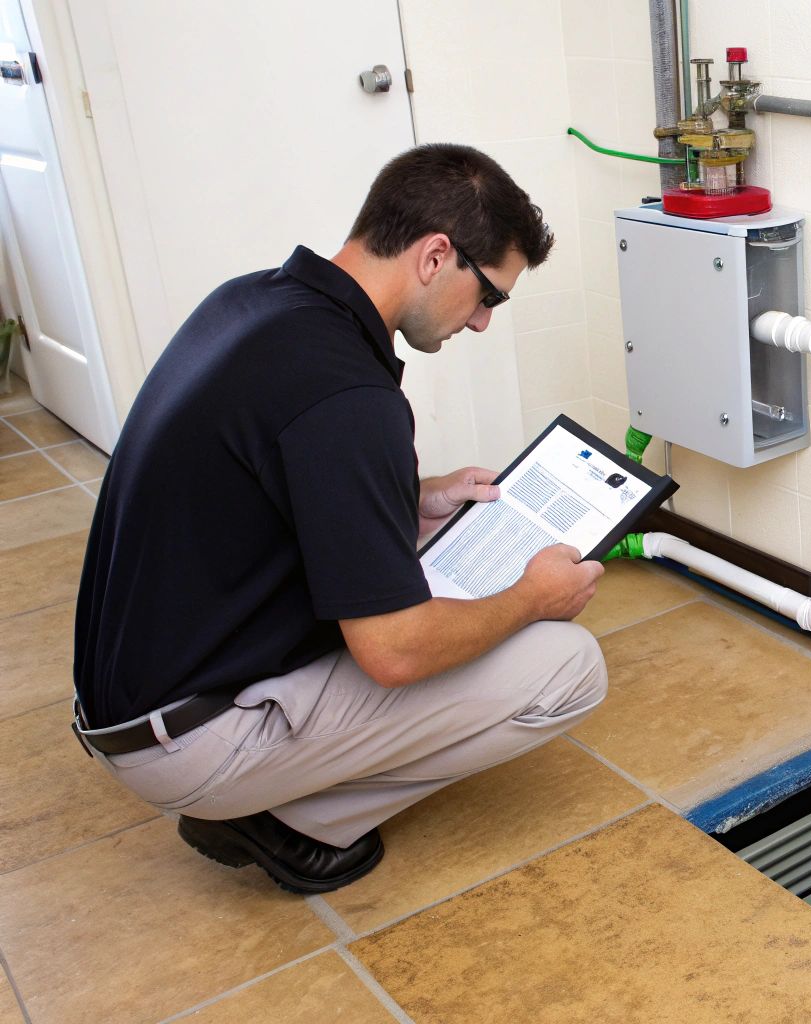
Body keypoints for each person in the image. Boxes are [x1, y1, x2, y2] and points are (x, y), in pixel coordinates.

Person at [71, 144, 608, 894]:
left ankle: (258, 791)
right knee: (568, 664)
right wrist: (531, 600)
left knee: (428, 592)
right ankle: (283, 818)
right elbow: (392, 654)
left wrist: (411, 496)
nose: (483, 323)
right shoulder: (348, 398)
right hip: (187, 744)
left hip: (128, 699)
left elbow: (268, 473)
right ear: (435, 255)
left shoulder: (252, 302)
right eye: (490, 295)